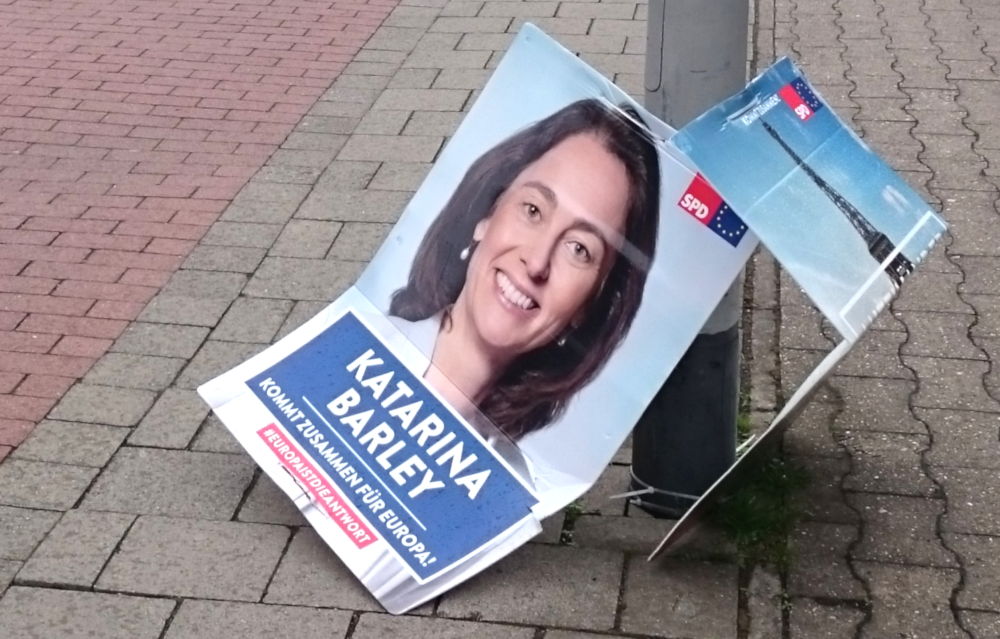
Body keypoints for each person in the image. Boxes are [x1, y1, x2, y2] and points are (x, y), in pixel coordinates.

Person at [389, 98, 661, 445]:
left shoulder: (517, 484)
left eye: (579, 249)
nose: (537, 263)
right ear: (486, 214)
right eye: (533, 210)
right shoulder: (350, 354)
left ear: (592, 304)